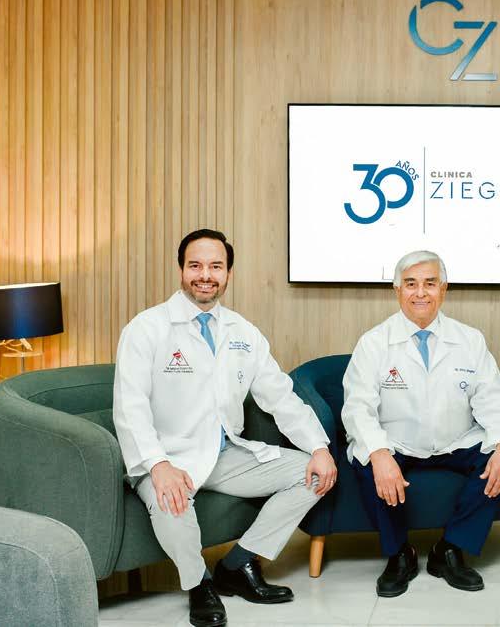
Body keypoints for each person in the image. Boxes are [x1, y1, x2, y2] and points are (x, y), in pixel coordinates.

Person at [113, 229, 337, 627]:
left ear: (228, 273)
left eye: (215, 266)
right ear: (181, 270)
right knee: (172, 502)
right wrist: (158, 466)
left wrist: (319, 447)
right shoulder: (146, 328)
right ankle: (199, 583)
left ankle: (237, 565)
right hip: (164, 455)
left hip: (223, 452)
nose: (205, 275)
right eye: (195, 265)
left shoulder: (243, 333)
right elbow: (130, 407)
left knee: (315, 475)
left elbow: (281, 397)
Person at [341, 250, 500, 597]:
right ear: (397, 291)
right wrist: (379, 453)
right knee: (366, 460)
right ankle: (400, 555)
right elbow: (358, 407)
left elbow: (493, 397)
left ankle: (450, 549)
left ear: (444, 289)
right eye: (411, 284)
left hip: (456, 440)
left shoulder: (469, 339)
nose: (420, 293)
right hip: (399, 442)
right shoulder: (374, 342)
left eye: (430, 283)